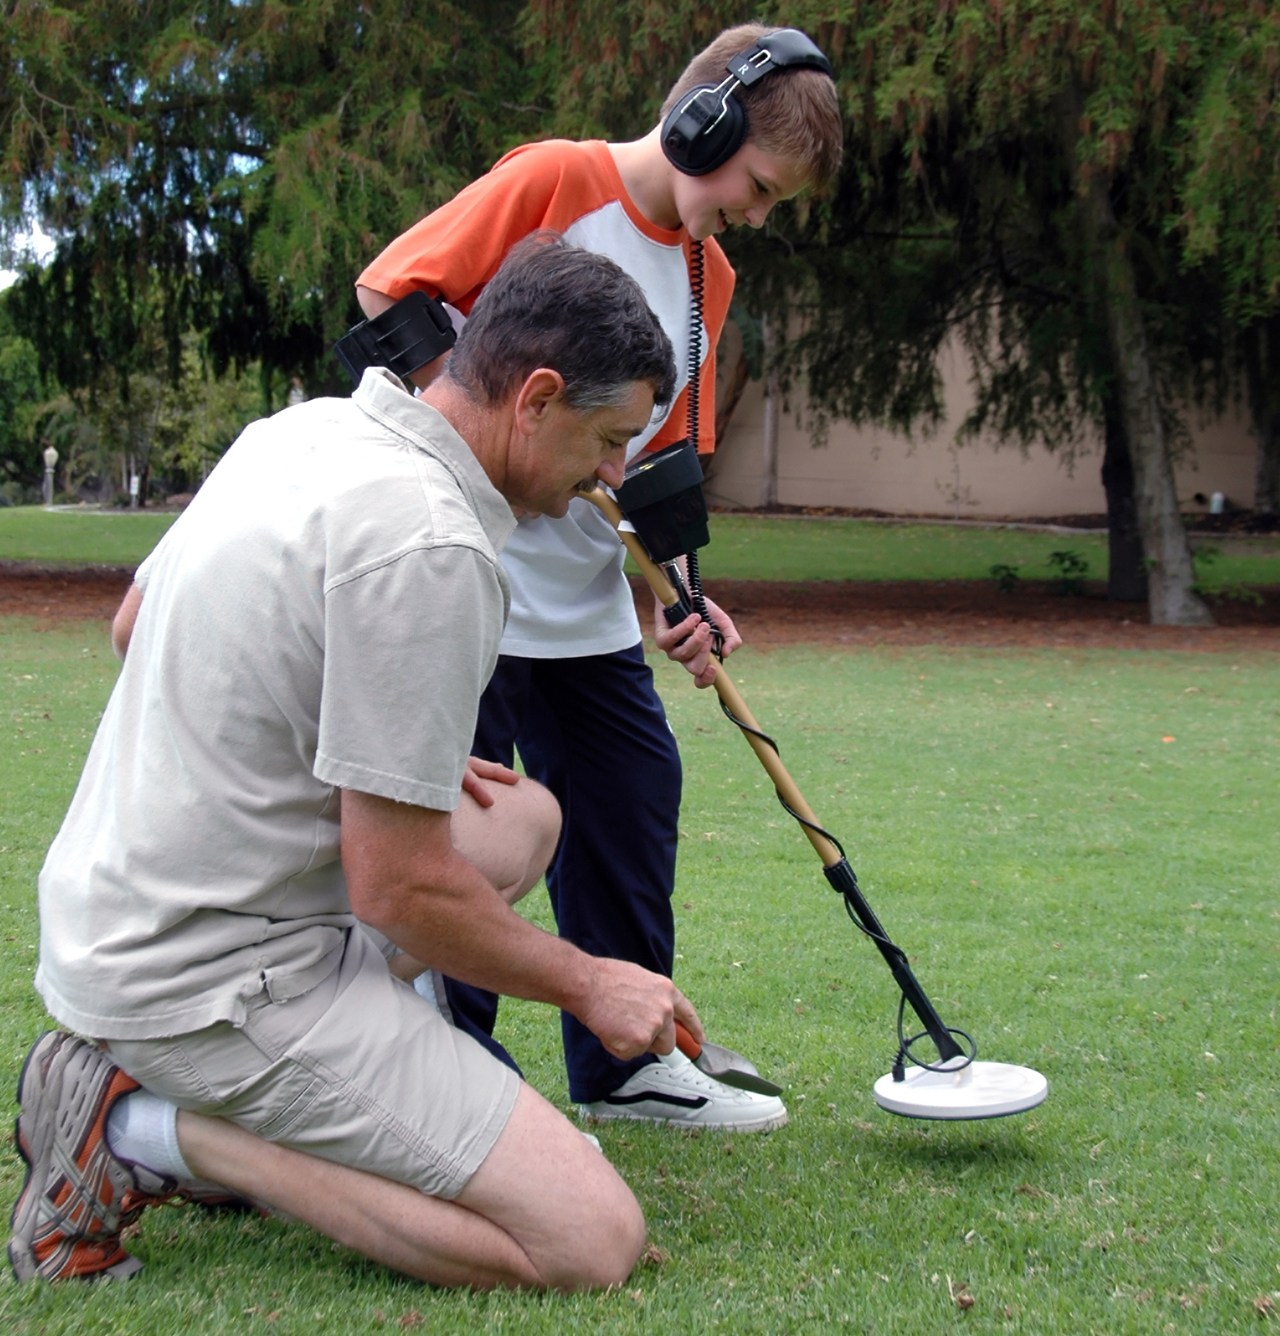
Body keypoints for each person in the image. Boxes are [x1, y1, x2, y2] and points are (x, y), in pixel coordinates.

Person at [11, 237, 701, 1289]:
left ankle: (178, 1069)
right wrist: (590, 981)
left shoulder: (305, 429)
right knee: (586, 1240)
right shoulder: (433, 546)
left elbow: (131, 625)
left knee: (523, 820)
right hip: (209, 977)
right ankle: (142, 1129)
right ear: (537, 397)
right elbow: (401, 889)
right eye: (606, 440)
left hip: (113, 917)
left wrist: (361, 742)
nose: (609, 479)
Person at [353, 23, 842, 1128]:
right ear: (698, 123)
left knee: (630, 792)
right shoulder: (553, 179)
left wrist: (679, 592)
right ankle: (445, 1059)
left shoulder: (704, 276)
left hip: (581, 612)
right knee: (464, 824)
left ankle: (627, 1067)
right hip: (463, 583)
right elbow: (389, 290)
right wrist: (490, 445)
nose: (755, 215)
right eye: (755, 185)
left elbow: (662, 462)